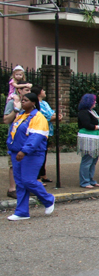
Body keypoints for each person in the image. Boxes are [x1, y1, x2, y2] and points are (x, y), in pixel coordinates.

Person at [6, 92, 55, 220]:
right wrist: (11, 147)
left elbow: (36, 137)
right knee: (20, 183)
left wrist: (24, 151)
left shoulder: (38, 117)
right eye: (22, 100)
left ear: (33, 103)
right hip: (17, 153)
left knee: (28, 181)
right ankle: (21, 212)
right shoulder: (21, 115)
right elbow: (13, 133)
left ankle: (48, 199)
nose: (23, 102)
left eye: (26, 100)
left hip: (32, 154)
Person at [5, 82, 33, 198]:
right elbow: (6, 120)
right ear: (19, 91)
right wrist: (16, 110)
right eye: (26, 90)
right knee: (14, 163)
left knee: (27, 163)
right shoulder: (12, 103)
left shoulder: (31, 104)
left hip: (26, 138)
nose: (28, 92)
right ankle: (12, 189)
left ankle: (26, 187)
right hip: (14, 139)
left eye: (29, 90)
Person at [76, 93, 99, 189]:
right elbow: (86, 125)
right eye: (94, 101)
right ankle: (84, 181)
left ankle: (90, 179)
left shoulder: (92, 111)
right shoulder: (83, 112)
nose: (95, 102)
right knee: (87, 160)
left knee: (94, 160)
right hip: (88, 138)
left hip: (96, 138)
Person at [30, 85, 59, 184]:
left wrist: (56, 116)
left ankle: (43, 174)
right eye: (43, 90)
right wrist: (54, 117)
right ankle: (37, 176)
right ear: (39, 93)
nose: (45, 91)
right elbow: (46, 116)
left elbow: (52, 113)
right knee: (38, 154)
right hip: (40, 131)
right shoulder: (37, 105)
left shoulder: (45, 103)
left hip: (48, 131)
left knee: (44, 154)